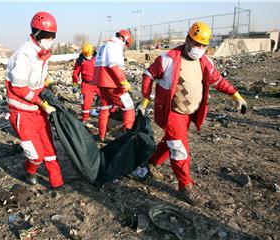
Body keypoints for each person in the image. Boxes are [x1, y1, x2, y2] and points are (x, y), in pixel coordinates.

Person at [136, 22, 248, 205]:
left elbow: (218, 81)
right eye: (196, 44)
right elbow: (148, 75)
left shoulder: (205, 62)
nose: (199, 48)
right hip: (172, 112)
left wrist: (237, 96)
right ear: (187, 40)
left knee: (170, 142)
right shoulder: (169, 59)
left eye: (203, 46)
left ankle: (149, 163)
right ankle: (185, 186)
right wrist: (145, 100)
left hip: (189, 114)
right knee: (179, 149)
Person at [5, 11, 64, 189]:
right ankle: (29, 171)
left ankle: (57, 182)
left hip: (38, 112)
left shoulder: (41, 53)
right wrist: (40, 101)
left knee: (50, 150)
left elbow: (36, 79)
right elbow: (18, 88)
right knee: (36, 155)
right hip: (22, 113)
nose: (50, 39)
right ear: (37, 34)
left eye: (52, 36)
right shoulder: (24, 55)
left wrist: (47, 82)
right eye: (47, 36)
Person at [93, 29, 135, 142]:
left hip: (101, 84)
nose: (125, 47)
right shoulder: (115, 46)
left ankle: (102, 136)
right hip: (113, 84)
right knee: (129, 107)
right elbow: (114, 66)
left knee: (104, 109)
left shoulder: (104, 46)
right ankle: (128, 137)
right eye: (126, 44)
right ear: (124, 39)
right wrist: (123, 81)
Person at [72, 42, 99, 123]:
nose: (87, 56)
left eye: (89, 54)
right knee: (85, 103)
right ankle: (85, 118)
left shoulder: (97, 57)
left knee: (107, 98)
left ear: (92, 52)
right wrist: (75, 85)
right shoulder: (80, 60)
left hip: (98, 83)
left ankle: (111, 112)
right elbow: (75, 74)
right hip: (86, 84)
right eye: (86, 55)